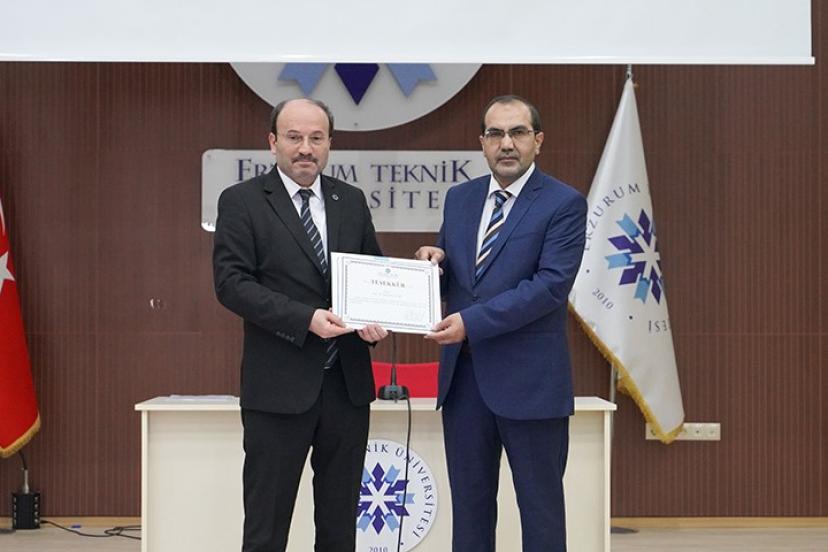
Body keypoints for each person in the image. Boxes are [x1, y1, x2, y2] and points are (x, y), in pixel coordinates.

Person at [213, 98, 388, 552]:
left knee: (339, 528)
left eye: (316, 138)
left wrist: (378, 317)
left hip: (347, 389)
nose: (305, 148)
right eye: (294, 137)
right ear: (273, 142)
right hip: (278, 390)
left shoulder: (350, 201)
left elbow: (372, 273)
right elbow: (232, 285)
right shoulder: (242, 201)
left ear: (330, 144)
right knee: (266, 530)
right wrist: (305, 319)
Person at [416, 95, 587, 552]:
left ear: (538, 140)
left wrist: (470, 323)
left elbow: (549, 287)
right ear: (482, 142)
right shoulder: (460, 199)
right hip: (465, 383)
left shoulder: (564, 203)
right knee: (470, 512)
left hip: (532, 385)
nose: (506, 143)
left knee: (540, 513)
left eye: (518, 133)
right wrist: (434, 264)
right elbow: (462, 278)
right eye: (495, 134)